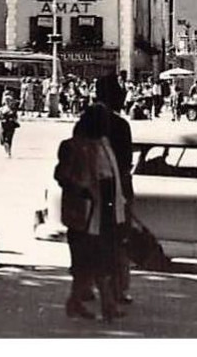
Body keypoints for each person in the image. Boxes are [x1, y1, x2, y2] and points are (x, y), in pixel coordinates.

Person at [55, 105, 126, 320]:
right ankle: (107, 305)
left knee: (100, 258)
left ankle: (78, 303)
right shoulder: (72, 146)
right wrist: (81, 188)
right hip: (84, 212)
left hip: (106, 209)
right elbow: (61, 175)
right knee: (87, 260)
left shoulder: (105, 144)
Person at [94, 75, 136, 307]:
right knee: (119, 240)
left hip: (93, 191)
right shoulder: (121, 125)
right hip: (117, 190)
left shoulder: (86, 124)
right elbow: (126, 162)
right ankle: (119, 289)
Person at [0, 91, 20, 157]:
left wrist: (14, 120)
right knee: (2, 140)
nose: (8, 102)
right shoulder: (2, 109)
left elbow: (16, 117)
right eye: (6, 101)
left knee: (8, 139)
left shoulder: (13, 109)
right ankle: (6, 150)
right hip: (3, 125)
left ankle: (9, 152)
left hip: (10, 125)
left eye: (9, 101)